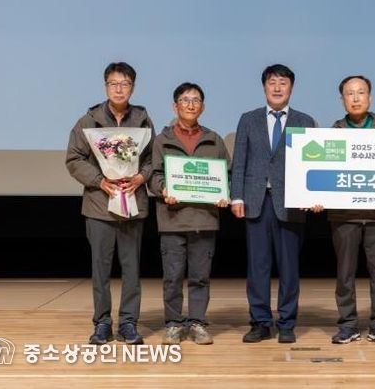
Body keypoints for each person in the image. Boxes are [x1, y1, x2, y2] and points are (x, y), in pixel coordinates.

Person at [66, 62, 155, 345]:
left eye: (125, 84)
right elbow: (74, 158)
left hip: (133, 204)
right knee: (100, 269)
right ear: (106, 86)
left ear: (133, 88)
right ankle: (102, 322)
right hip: (99, 206)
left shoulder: (142, 119)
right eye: (114, 83)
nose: (119, 89)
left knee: (132, 269)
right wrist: (99, 180)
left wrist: (141, 177)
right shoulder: (88, 120)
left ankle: (128, 322)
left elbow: (153, 159)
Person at [230, 64, 316, 344]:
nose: (277, 88)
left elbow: (312, 164)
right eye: (272, 82)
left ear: (291, 87)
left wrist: (311, 196)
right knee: (258, 267)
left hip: (291, 203)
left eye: (283, 82)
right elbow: (239, 161)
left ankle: (287, 323)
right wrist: (237, 196)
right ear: (264, 87)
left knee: (289, 268)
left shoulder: (305, 121)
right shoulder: (248, 119)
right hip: (255, 202)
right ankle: (260, 322)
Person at [149, 82, 230, 346]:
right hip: (172, 219)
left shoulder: (214, 139)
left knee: (200, 277)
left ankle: (197, 322)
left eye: (196, 100)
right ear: (175, 106)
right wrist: (164, 189)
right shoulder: (162, 140)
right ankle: (173, 324)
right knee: (172, 277)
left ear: (202, 107)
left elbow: (227, 174)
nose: (190, 105)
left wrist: (224, 193)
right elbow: (154, 175)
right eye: (185, 100)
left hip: (204, 219)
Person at [325, 75, 375, 346]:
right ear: (342, 99)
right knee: (344, 274)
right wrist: (316, 197)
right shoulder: (331, 135)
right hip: (343, 216)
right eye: (350, 93)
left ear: (370, 97)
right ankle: (347, 325)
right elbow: (322, 175)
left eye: (361, 92)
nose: (356, 98)